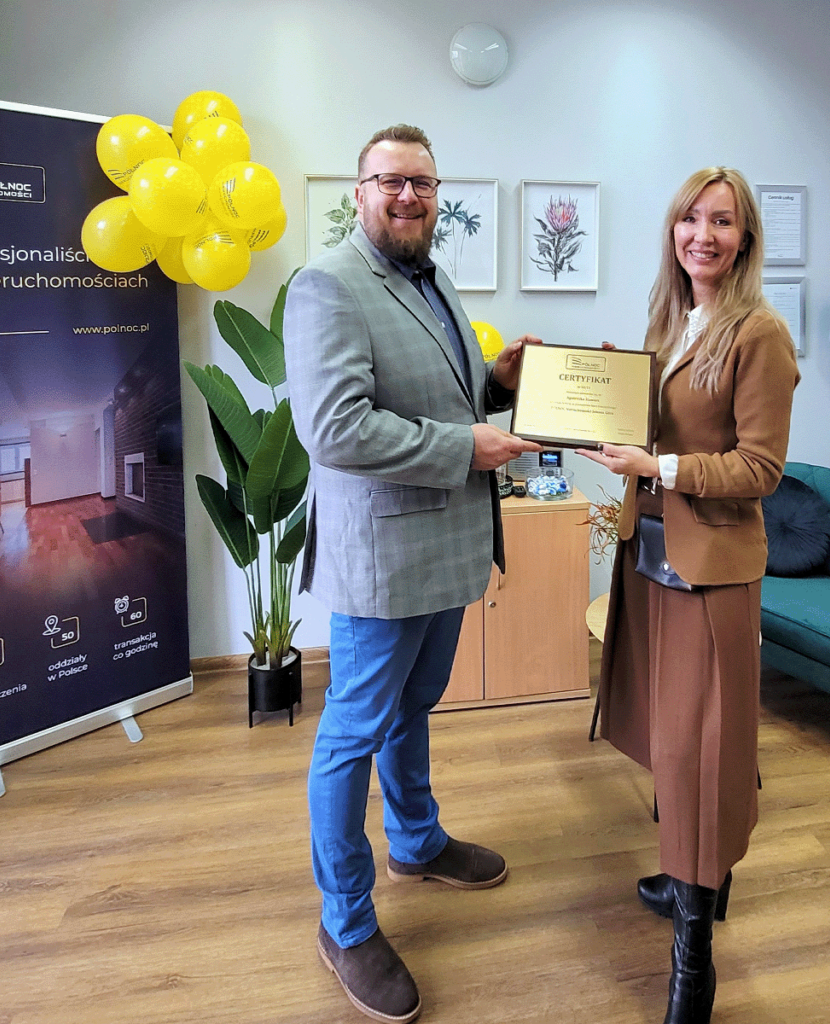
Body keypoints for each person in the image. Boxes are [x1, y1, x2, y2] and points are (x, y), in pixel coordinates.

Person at [283, 124, 542, 1024]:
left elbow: (442, 399)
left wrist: (497, 381)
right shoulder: (329, 284)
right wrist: (468, 445)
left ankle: (417, 842)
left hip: (445, 548)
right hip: (383, 561)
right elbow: (337, 429)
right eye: (389, 181)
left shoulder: (431, 276)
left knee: (413, 707)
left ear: (437, 194)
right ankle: (346, 924)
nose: (407, 196)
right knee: (352, 733)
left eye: (422, 183)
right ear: (359, 192)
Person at [577, 167, 799, 1024]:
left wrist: (659, 465)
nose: (703, 235)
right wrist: (608, 409)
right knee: (673, 739)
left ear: (745, 240)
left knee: (704, 749)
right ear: (673, 230)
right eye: (690, 220)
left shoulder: (760, 333)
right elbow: (660, 429)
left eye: (722, 222)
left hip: (713, 570)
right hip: (653, 557)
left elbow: (760, 469)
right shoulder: (671, 321)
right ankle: (693, 878)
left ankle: (693, 957)